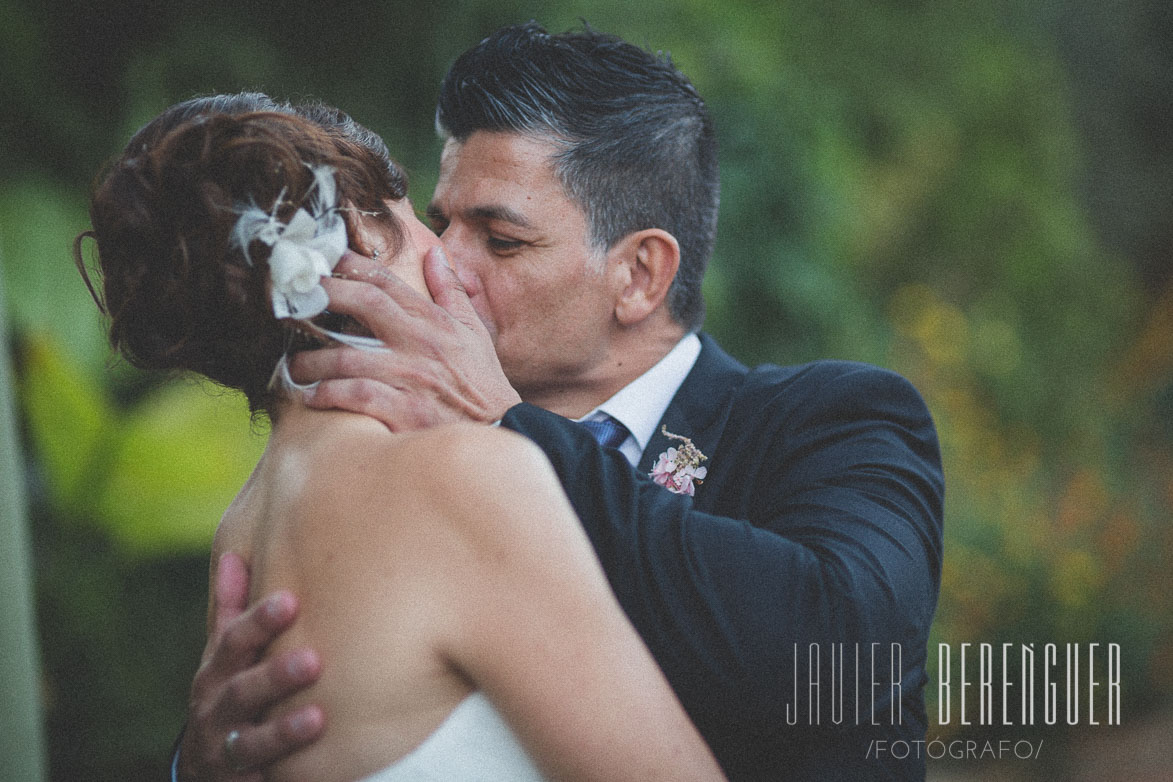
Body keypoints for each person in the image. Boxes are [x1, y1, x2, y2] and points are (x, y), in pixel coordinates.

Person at [178, 22, 945, 781]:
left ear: (640, 275)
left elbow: (844, 653)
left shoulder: (836, 417)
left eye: (502, 240)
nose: (445, 258)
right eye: (443, 221)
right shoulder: (392, 468)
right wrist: (201, 767)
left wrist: (510, 426)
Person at [78, 92, 728, 782]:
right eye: (421, 219)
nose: (451, 258)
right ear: (357, 240)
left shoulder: (241, 529)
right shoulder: (464, 474)